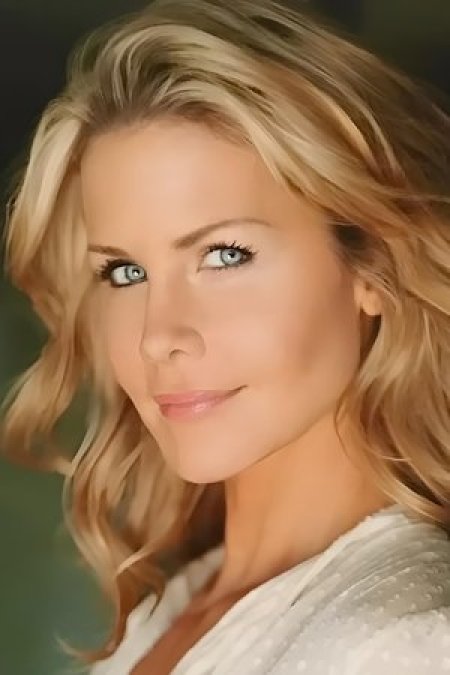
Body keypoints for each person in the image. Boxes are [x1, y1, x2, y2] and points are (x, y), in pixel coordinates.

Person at [2, 0, 450, 672]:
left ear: (372, 267)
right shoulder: (175, 605)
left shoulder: (402, 642)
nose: (159, 336)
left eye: (224, 255)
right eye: (125, 271)